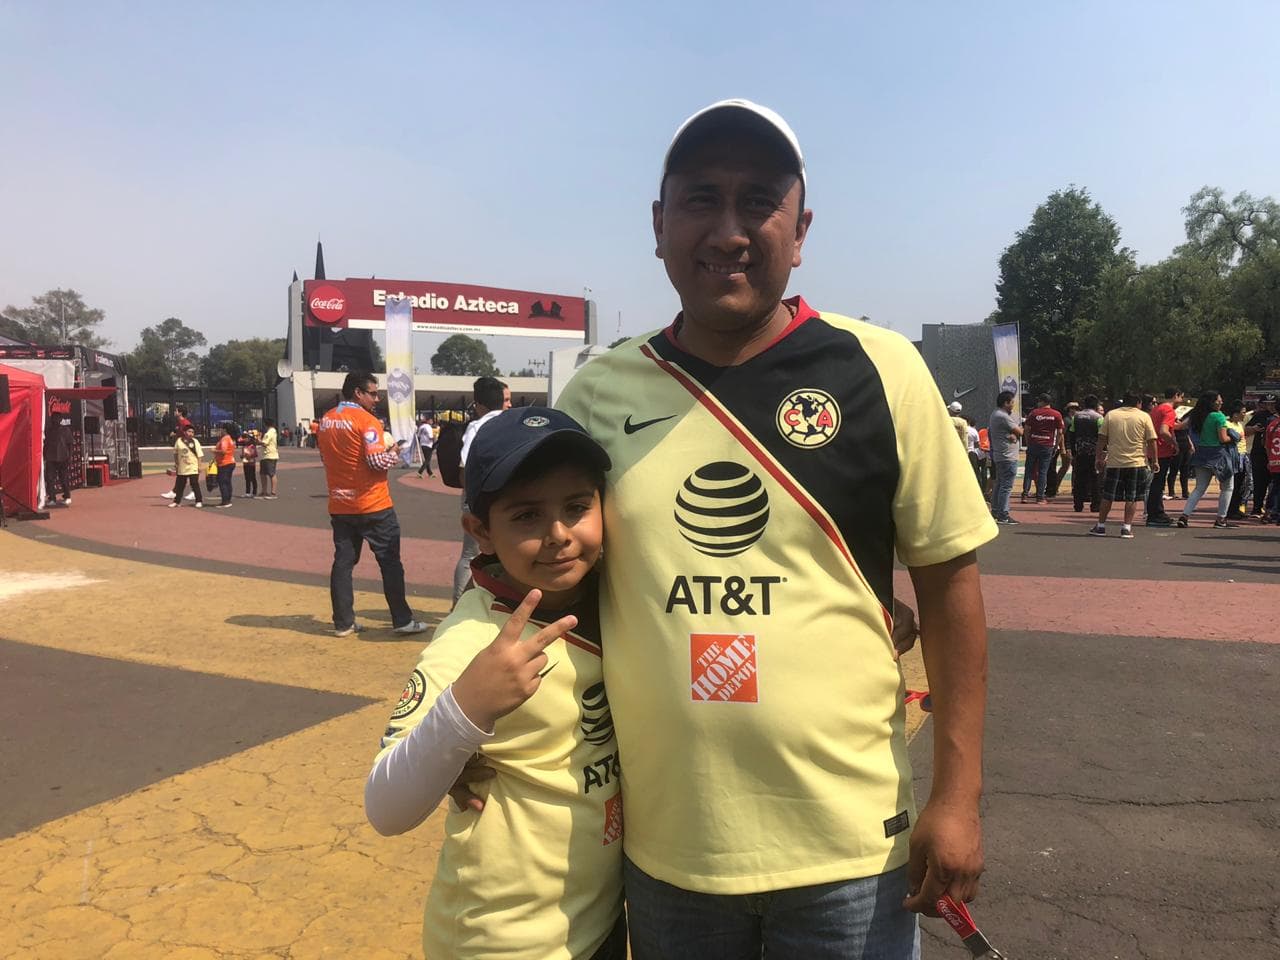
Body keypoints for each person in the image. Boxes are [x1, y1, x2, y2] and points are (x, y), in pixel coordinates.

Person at [556, 99, 997, 958]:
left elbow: (951, 593)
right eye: (701, 199)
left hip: (850, 853)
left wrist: (958, 799)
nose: (729, 230)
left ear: (800, 232)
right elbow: (536, 583)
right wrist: (470, 729)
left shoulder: (882, 369)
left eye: (758, 200)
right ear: (658, 225)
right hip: (667, 850)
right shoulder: (596, 394)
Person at [365, 407, 625, 960]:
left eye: (577, 507)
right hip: (503, 940)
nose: (559, 535)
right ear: (480, 531)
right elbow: (386, 807)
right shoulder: (475, 640)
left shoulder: (612, 595)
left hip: (598, 920)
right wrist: (465, 711)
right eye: (527, 516)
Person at [317, 372, 428, 637]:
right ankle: (402, 619)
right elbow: (376, 462)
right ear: (358, 393)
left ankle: (343, 622)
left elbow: (324, 457)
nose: (377, 399)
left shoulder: (326, 420)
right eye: (373, 393)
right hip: (373, 504)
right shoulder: (367, 421)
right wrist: (394, 453)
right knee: (390, 563)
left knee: (343, 563)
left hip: (340, 504)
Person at [452, 377, 511, 604]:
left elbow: (464, 468)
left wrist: (471, 500)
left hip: (479, 499)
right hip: (509, 499)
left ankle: (459, 606)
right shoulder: (513, 424)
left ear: (478, 404)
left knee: (470, 556)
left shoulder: (478, 427)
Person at [1088, 392, 1158, 539]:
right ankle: (1126, 527)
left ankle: (1101, 526)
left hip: (1115, 462)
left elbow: (1102, 439)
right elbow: (1152, 441)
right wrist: (1155, 460)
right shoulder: (1144, 416)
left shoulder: (1111, 415)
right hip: (1137, 462)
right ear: (1138, 402)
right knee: (1132, 497)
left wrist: (1098, 458)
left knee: (1108, 495)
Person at [1177, 391, 1236, 529]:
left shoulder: (1196, 416)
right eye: (1218, 400)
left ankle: (1184, 516)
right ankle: (1221, 519)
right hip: (1218, 455)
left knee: (1199, 488)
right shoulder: (1219, 416)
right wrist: (1234, 436)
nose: (1221, 402)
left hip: (1201, 454)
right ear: (1212, 402)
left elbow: (1180, 426)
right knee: (1227, 487)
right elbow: (1223, 438)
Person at [1144, 390, 1181, 526]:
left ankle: (1156, 512)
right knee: (1158, 484)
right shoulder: (1169, 410)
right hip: (1162, 451)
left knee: (1156, 483)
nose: (1181, 401)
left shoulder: (1157, 409)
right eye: (1181, 397)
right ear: (1176, 395)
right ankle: (1155, 514)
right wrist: (1174, 443)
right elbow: (1163, 431)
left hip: (1153, 450)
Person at [1021, 395, 1063, 504]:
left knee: (1029, 470)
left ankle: (1025, 494)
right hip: (1047, 445)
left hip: (1033, 443)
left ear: (1042, 402)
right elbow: (1060, 432)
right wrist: (1056, 445)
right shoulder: (1056, 414)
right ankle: (1040, 497)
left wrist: (1028, 442)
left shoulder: (1034, 413)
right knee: (1043, 472)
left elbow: (1026, 429)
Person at [989, 390, 1022, 524]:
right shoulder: (1003, 416)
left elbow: (1015, 432)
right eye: (1012, 402)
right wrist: (1017, 433)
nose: (1013, 405)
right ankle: (1003, 514)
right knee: (1006, 486)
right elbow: (1019, 431)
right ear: (1006, 403)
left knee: (999, 484)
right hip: (1007, 455)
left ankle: (996, 510)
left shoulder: (995, 414)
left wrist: (1014, 434)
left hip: (1000, 455)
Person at [1069, 396, 1103, 513]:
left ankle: (1078, 505)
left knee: (1079, 479)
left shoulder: (1076, 417)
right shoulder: (1099, 418)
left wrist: (1073, 451)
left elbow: (1072, 434)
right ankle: (1095, 505)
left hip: (1080, 452)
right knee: (1096, 479)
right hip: (1094, 453)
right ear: (1096, 405)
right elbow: (1102, 436)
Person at [1246, 394, 1275, 518]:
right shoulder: (1259, 415)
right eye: (1266, 404)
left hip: (1275, 455)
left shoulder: (1277, 417)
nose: (1269, 406)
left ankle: (1272, 510)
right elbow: (1246, 430)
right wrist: (1254, 429)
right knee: (1259, 482)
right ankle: (1257, 508)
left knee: (1275, 484)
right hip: (1259, 453)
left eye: (1272, 404)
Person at [1225, 400, 1252, 520]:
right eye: (1243, 412)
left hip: (1242, 456)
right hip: (1233, 457)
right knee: (1234, 484)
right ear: (1235, 414)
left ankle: (1236, 508)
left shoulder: (1239, 425)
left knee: (1241, 484)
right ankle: (1230, 510)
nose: (1244, 414)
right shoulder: (1227, 424)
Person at [1045, 401, 1078, 498]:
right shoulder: (1067, 420)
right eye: (1073, 408)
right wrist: (1064, 448)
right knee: (1065, 467)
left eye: (1076, 408)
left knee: (1071, 468)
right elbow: (1062, 434)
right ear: (1069, 409)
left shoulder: (1074, 419)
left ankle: (1071, 488)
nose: (1075, 410)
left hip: (1072, 447)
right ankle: (1055, 487)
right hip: (1067, 447)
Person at [169, 424, 204, 508]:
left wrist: (199, 466)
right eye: (189, 431)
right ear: (184, 432)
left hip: (193, 466)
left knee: (194, 484)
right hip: (182, 467)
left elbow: (200, 455)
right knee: (180, 485)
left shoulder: (195, 441)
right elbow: (175, 453)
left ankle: (199, 501)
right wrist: (176, 463)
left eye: (192, 432)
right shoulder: (179, 441)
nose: (191, 433)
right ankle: (177, 502)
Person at [42, 413, 74, 507]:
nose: (54, 420)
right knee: (50, 479)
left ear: (60, 420)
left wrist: (70, 457)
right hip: (51, 458)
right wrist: (44, 456)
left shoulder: (65, 430)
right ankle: (52, 498)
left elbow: (70, 444)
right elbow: (45, 444)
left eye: (57, 418)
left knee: (64, 478)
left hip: (63, 458)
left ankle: (67, 496)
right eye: (53, 418)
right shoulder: (48, 430)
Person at [1169, 390, 1193, 498]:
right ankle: (1171, 492)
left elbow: (1186, 431)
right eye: (1181, 397)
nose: (1182, 400)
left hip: (1185, 442)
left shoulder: (1185, 414)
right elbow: (1174, 427)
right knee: (1174, 468)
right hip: (1176, 441)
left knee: (1185, 469)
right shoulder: (1171, 412)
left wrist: (1191, 444)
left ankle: (1185, 491)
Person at [213, 423, 237, 508]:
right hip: (230, 462)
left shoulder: (225, 439)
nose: (220, 430)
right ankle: (228, 499)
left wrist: (214, 450)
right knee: (227, 482)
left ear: (224, 430)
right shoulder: (230, 438)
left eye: (221, 429)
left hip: (225, 463)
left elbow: (223, 451)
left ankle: (225, 501)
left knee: (223, 482)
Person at [239, 429, 259, 499]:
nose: (244, 439)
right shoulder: (244, 447)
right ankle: (247, 492)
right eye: (244, 438)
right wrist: (242, 456)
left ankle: (254, 492)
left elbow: (255, 454)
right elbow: (242, 455)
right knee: (247, 478)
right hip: (245, 463)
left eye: (246, 438)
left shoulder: (252, 446)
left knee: (252, 477)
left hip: (251, 463)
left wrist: (249, 455)